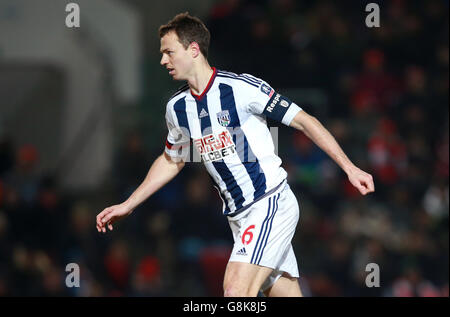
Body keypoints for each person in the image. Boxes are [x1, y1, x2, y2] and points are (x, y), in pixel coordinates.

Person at [96, 12, 375, 297]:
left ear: (193, 49)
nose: (162, 60)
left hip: (269, 203)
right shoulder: (177, 108)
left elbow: (305, 121)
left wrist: (350, 168)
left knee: (235, 292)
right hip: (238, 219)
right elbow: (172, 159)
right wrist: (129, 204)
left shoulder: (240, 89)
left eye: (168, 52)